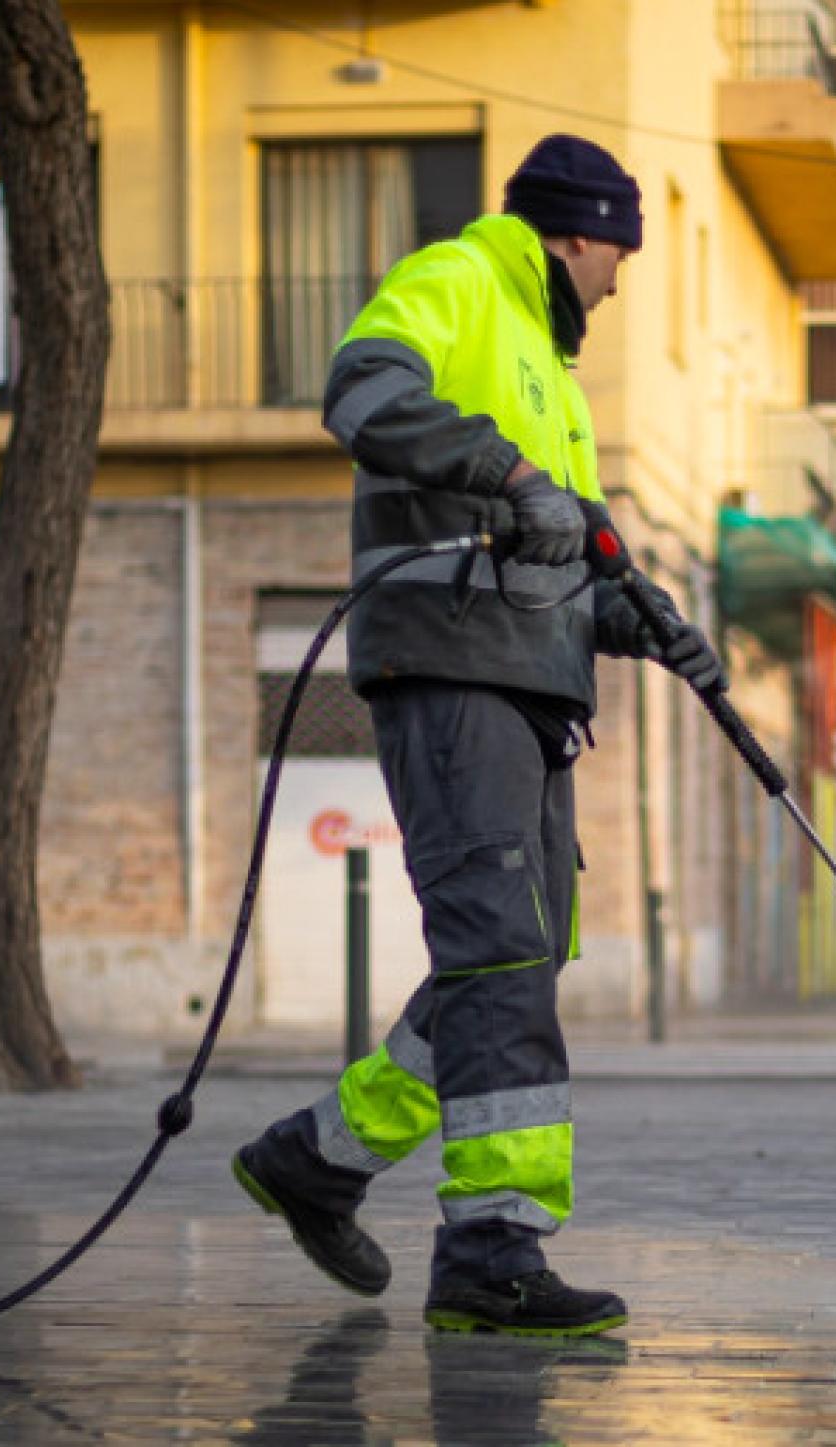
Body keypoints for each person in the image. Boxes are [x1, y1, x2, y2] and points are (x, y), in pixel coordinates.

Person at [231, 134, 722, 1338]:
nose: (618, 282)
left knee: (519, 952)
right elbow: (360, 390)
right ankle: (492, 1249)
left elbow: (555, 550)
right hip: (450, 668)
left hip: (526, 683)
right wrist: (505, 472)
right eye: (620, 255)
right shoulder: (457, 282)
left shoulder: (551, 373)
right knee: (501, 948)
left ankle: (318, 1159)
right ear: (580, 232)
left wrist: (635, 617)